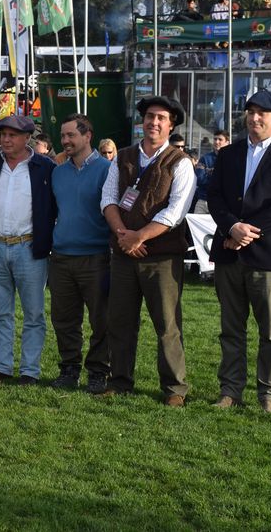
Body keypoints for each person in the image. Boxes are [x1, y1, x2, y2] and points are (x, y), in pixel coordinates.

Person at [207, 91, 271, 414]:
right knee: (231, 330)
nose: (255, 117)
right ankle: (230, 390)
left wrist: (245, 232)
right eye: (251, 111)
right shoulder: (229, 154)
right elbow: (215, 197)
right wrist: (232, 228)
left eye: (263, 112)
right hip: (229, 254)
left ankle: (269, 395)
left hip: (269, 258)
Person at [100, 96, 196, 406]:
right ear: (142, 121)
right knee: (120, 321)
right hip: (124, 255)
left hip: (163, 258)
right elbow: (108, 200)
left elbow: (175, 212)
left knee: (167, 325)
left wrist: (139, 237)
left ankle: (174, 389)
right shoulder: (123, 156)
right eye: (150, 116)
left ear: (171, 125)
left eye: (161, 118)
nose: (154, 122)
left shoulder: (180, 162)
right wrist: (123, 236)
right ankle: (119, 380)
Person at [0, 115, 56, 384]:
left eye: (13, 135)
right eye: (4, 134)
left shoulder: (44, 167)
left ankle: (29, 371)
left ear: (27, 138)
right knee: (1, 313)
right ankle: (2, 366)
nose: (7, 140)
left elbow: (54, 207)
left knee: (34, 313)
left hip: (29, 247)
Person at [49, 114, 112, 393]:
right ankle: (69, 368)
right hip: (61, 256)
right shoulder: (58, 172)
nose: (65, 141)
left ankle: (99, 371)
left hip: (95, 257)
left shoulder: (108, 170)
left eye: (71, 135)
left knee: (101, 319)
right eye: (62, 136)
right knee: (63, 319)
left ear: (87, 136)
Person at [194, 130, 229, 214]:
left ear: (227, 142)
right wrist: (219, 181)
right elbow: (200, 179)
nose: (216, 142)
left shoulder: (232, 159)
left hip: (222, 202)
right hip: (203, 200)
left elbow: (230, 182)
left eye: (220, 140)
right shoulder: (205, 158)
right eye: (215, 139)